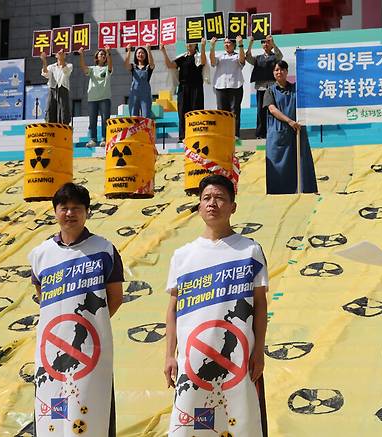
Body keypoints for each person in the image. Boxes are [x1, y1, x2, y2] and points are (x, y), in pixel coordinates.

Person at [164, 174, 268, 437]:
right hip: (193, 363)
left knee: (239, 424)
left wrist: (259, 353)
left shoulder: (250, 251)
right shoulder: (182, 255)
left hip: (238, 361)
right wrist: (169, 355)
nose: (212, 203)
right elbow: (173, 308)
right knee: (193, 427)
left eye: (220, 198)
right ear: (199, 206)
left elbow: (260, 305)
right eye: (206, 198)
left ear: (233, 206)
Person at [28, 182, 124, 437]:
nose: (70, 213)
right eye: (64, 208)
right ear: (55, 211)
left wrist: (91, 325)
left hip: (90, 349)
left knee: (91, 412)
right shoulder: (40, 254)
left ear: (87, 212)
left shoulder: (104, 249)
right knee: (53, 414)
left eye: (76, 208)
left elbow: (115, 298)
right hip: (52, 350)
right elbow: (42, 297)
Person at [263, 60, 318, 195]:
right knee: (278, 164)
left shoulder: (296, 89)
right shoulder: (270, 91)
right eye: (276, 70)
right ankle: (279, 192)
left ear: (287, 72)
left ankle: (304, 190)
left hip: (297, 131)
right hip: (279, 132)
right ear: (273, 73)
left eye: (282, 69)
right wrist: (289, 121)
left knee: (301, 161)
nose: (279, 72)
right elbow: (272, 109)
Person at [161, 38, 207, 143]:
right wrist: (163, 51)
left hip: (196, 87)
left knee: (196, 110)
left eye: (191, 44)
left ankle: (196, 134)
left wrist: (203, 46)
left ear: (196, 45)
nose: (189, 45)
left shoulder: (198, 57)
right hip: (183, 88)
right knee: (182, 111)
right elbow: (170, 65)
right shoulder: (182, 58)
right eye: (187, 44)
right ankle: (183, 136)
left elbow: (203, 62)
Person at [246, 35, 283, 139]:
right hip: (261, 88)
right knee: (260, 111)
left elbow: (280, 56)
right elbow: (248, 57)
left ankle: (274, 131)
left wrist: (274, 43)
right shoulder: (258, 58)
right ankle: (260, 133)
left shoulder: (275, 57)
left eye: (267, 42)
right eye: (263, 42)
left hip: (272, 88)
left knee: (273, 110)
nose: (265, 44)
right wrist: (251, 43)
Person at [210, 36, 245, 138]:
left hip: (235, 86)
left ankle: (235, 135)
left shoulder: (238, 55)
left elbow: (242, 61)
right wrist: (212, 46)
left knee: (235, 111)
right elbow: (212, 62)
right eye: (225, 43)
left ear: (234, 45)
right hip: (220, 86)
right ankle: (222, 134)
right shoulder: (220, 56)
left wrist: (241, 45)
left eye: (229, 42)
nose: (226, 44)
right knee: (221, 112)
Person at [78, 46, 113, 148]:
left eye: (104, 55)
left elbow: (110, 66)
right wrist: (81, 55)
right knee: (92, 120)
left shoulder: (107, 68)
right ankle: (93, 139)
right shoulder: (92, 69)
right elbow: (84, 68)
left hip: (105, 97)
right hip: (93, 98)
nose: (102, 56)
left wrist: (108, 52)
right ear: (96, 58)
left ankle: (104, 138)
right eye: (100, 54)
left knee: (105, 119)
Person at [40, 49, 72, 124]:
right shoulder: (51, 67)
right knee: (50, 108)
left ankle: (64, 127)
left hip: (63, 89)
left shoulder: (69, 65)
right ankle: (50, 126)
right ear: (55, 55)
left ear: (65, 56)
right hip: (52, 89)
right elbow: (45, 73)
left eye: (63, 53)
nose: (61, 53)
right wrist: (44, 60)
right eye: (58, 52)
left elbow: (66, 71)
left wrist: (61, 60)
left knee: (63, 109)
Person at [124, 44, 155, 118]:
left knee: (146, 117)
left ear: (145, 55)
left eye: (142, 53)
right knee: (134, 116)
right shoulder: (133, 66)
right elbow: (125, 65)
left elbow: (152, 64)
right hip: (134, 95)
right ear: (136, 55)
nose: (140, 54)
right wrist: (128, 51)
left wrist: (149, 50)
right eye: (138, 53)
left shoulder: (148, 67)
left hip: (145, 95)